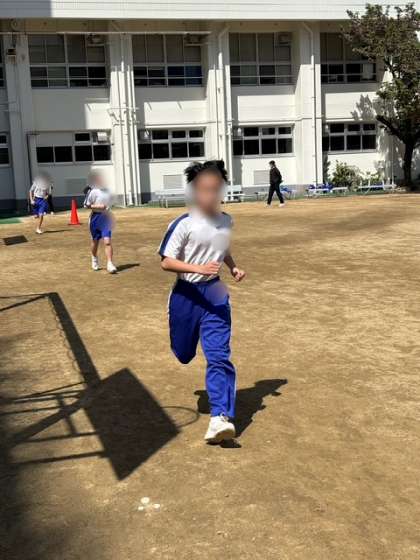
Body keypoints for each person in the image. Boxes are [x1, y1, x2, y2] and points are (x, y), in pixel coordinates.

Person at [159, 160, 246, 444]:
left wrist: (232, 267)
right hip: (186, 295)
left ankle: (220, 417)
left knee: (218, 354)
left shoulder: (226, 220)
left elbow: (222, 246)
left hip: (215, 294)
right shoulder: (183, 224)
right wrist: (198, 268)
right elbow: (166, 262)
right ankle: (182, 343)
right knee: (184, 353)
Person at [84, 170, 117, 274]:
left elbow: (109, 205)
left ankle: (110, 263)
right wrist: (98, 206)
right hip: (95, 218)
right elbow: (86, 205)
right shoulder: (93, 191)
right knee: (95, 241)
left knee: (107, 241)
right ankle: (94, 258)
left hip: (106, 218)